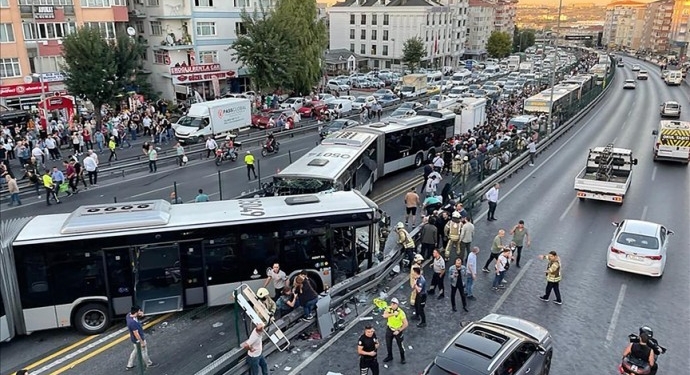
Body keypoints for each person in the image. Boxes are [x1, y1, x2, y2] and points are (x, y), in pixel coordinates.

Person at [125, 306, 159, 371]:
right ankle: (149, 363)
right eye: (139, 311)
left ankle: (129, 365)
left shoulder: (128, 315)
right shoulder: (132, 323)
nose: (141, 312)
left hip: (134, 340)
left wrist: (140, 314)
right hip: (138, 339)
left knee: (135, 350)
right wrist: (142, 342)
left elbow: (134, 314)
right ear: (136, 312)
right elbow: (136, 333)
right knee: (144, 351)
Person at [382, 298, 408, 364]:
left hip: (397, 330)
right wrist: (393, 314)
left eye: (394, 304)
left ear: (397, 305)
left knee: (400, 345)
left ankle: (403, 358)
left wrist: (399, 330)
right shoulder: (389, 308)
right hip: (390, 329)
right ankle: (390, 356)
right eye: (391, 303)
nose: (392, 305)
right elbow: (384, 315)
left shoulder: (401, 313)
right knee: (388, 344)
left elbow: (406, 324)